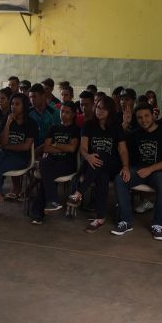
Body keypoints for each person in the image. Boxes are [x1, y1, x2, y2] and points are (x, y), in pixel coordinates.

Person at [112, 103, 162, 240]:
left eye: (146, 116)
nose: (143, 120)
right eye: (139, 117)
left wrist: (150, 169)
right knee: (120, 180)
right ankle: (126, 221)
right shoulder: (136, 133)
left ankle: (158, 224)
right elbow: (118, 141)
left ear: (153, 115)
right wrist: (125, 123)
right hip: (138, 170)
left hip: (158, 171)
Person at [67, 96, 128, 233]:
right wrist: (88, 156)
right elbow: (83, 148)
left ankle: (79, 192)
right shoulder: (89, 125)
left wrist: (125, 166)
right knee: (102, 177)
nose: (100, 111)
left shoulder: (116, 127)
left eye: (104, 109)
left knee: (101, 155)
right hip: (93, 164)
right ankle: (100, 218)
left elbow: (123, 150)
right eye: (98, 107)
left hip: (112, 164)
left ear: (110, 111)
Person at [0, 93, 38, 219]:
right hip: (5, 154)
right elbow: (2, 142)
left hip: (21, 158)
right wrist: (8, 123)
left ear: (24, 106)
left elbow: (26, 146)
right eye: (12, 104)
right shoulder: (6, 120)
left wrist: (7, 147)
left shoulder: (31, 123)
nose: (14, 106)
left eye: (17, 104)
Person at [30, 102, 80, 223]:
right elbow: (46, 148)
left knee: (45, 177)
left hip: (67, 163)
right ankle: (51, 201)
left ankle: (38, 212)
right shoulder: (54, 128)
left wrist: (55, 144)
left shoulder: (75, 129)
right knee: (44, 163)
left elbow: (72, 148)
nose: (63, 114)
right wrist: (63, 147)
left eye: (67, 112)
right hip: (52, 161)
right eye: (62, 111)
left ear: (73, 114)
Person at [28, 83, 60, 155]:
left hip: (50, 148)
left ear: (43, 96)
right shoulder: (28, 113)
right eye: (30, 97)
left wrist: (40, 149)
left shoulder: (54, 112)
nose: (32, 100)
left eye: (34, 97)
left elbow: (57, 136)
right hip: (31, 148)